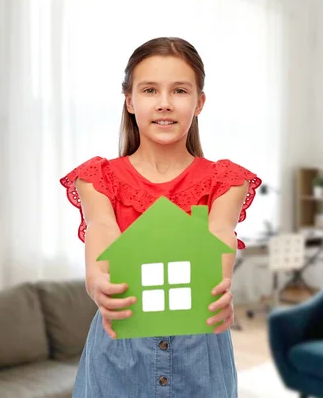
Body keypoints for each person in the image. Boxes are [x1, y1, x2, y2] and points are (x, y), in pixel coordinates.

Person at [60, 36, 261, 398]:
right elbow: (102, 227)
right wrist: (96, 281)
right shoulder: (97, 177)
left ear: (199, 103)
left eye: (180, 91)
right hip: (120, 349)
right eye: (150, 90)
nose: (165, 104)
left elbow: (219, 235)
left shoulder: (227, 180)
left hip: (199, 351)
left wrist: (219, 287)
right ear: (130, 100)